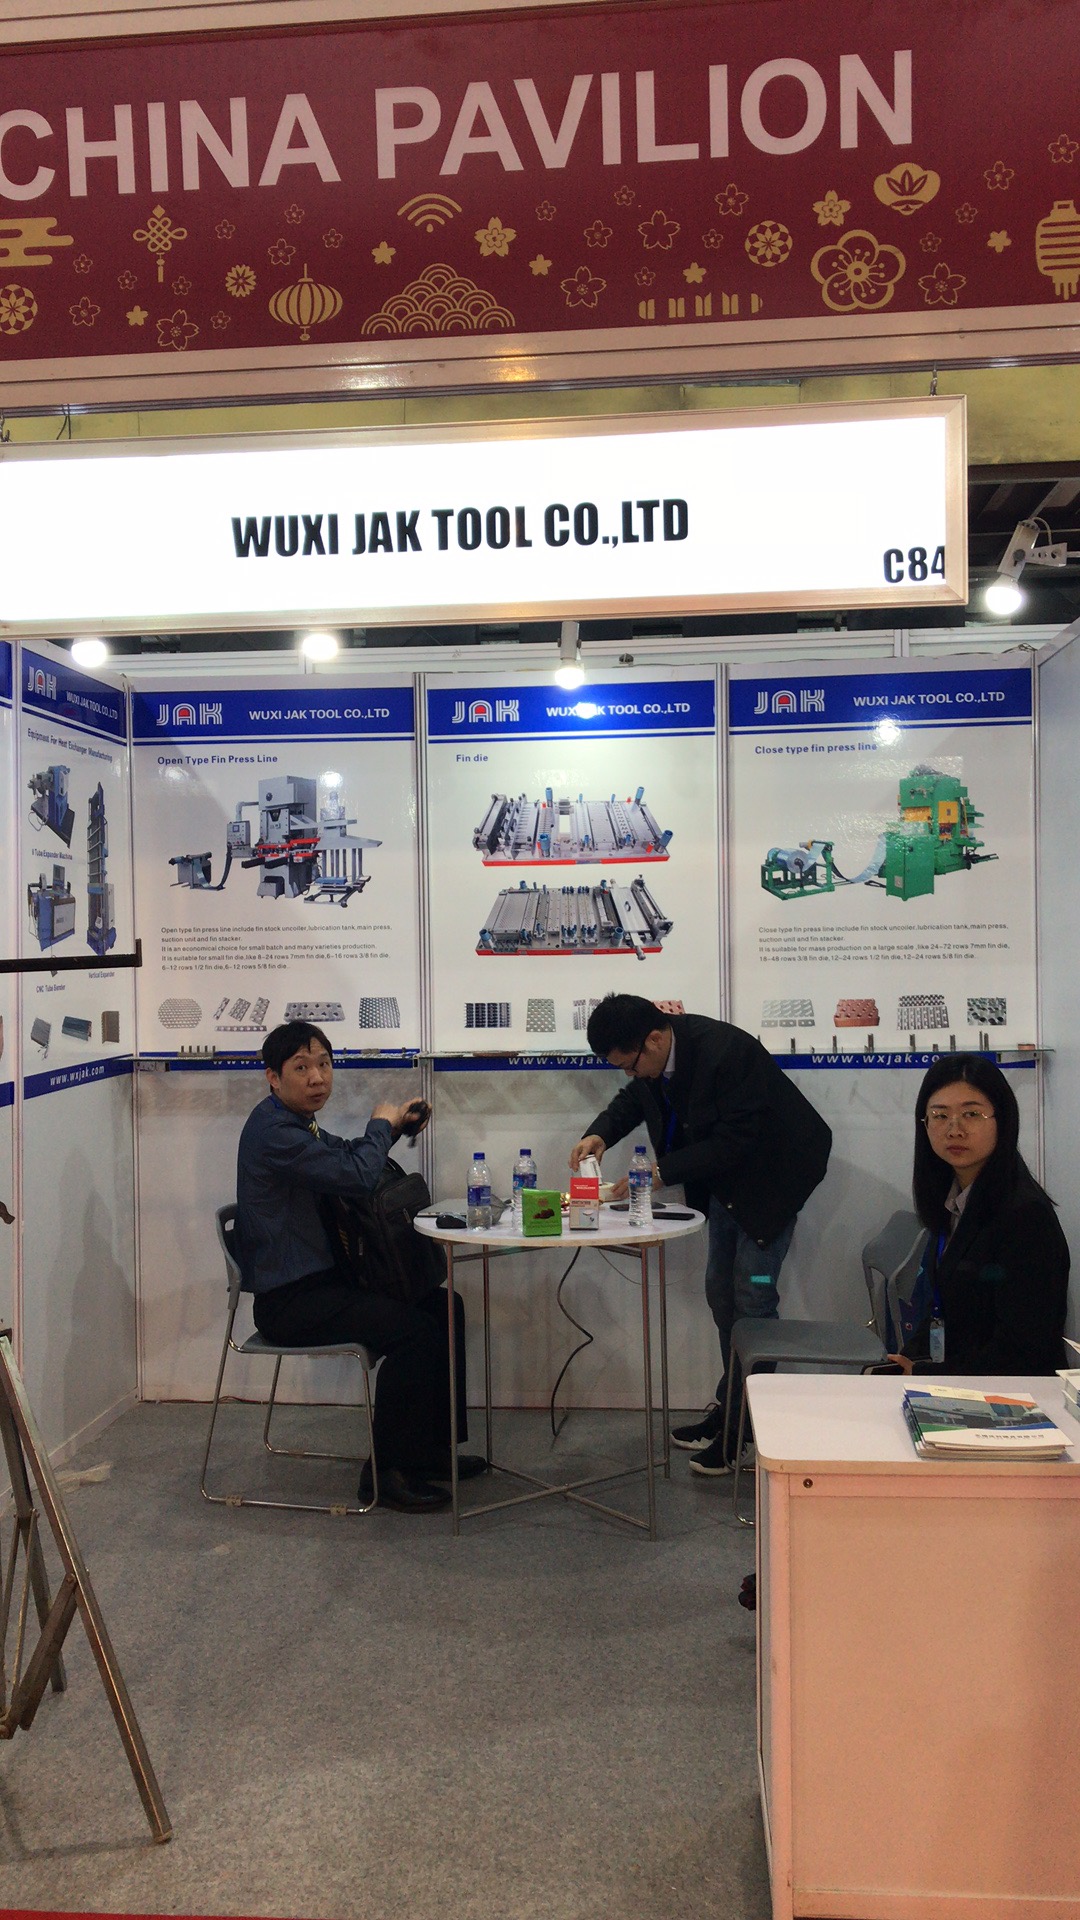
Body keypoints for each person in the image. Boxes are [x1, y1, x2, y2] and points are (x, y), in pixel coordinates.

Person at [569, 995, 832, 1474]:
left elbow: (738, 1139)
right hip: (725, 1182)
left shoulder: (726, 1052)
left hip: (772, 1182)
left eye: (629, 1064)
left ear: (654, 1039)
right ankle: (732, 1406)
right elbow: (635, 1098)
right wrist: (600, 1134)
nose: (630, 1074)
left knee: (754, 1298)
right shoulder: (656, 1056)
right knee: (721, 1294)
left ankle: (745, 1430)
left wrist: (659, 1172)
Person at [236, 1020, 487, 1512]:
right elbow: (355, 1175)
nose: (317, 1078)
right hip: (291, 1301)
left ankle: (427, 1451)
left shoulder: (295, 1123)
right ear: (273, 1077)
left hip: (324, 1285)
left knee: (444, 1308)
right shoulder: (273, 1132)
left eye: (324, 1064)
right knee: (415, 1332)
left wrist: (392, 1128)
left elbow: (346, 1156)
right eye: (301, 1068)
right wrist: (378, 1126)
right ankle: (385, 1474)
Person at [891, 1054, 1068, 1375]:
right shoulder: (951, 1199)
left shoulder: (1026, 1217)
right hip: (962, 1379)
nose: (954, 1129)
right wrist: (907, 1361)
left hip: (1013, 1392)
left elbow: (1023, 1350)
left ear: (1003, 1120)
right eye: (940, 1115)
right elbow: (946, 1311)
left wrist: (922, 1373)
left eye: (971, 1114)